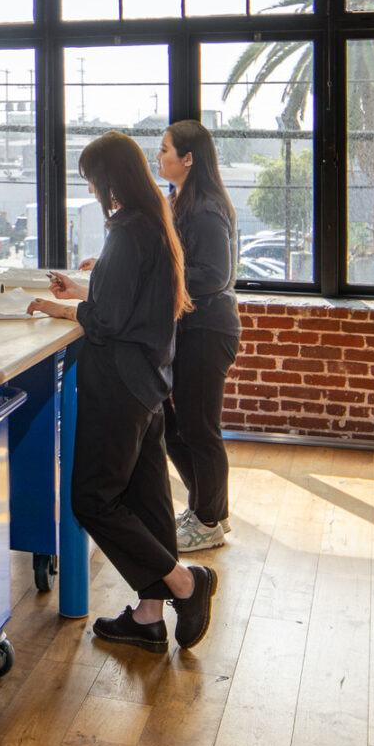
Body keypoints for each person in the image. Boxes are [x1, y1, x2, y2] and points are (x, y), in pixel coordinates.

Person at [27, 132, 218, 653]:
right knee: (148, 500)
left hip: (119, 383)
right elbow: (127, 301)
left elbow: (108, 319)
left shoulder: (128, 228)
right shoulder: (153, 220)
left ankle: (185, 583)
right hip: (149, 382)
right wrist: (81, 293)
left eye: (92, 180)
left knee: (91, 499)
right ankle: (149, 616)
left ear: (110, 178)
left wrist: (65, 309)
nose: (92, 190)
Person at [157, 121, 241, 552]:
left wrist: (159, 272)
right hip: (190, 328)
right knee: (177, 426)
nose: (159, 157)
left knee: (200, 430)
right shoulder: (180, 200)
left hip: (209, 330)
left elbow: (214, 274)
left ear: (188, 159)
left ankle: (208, 520)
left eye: (165, 149)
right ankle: (209, 510)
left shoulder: (206, 208)